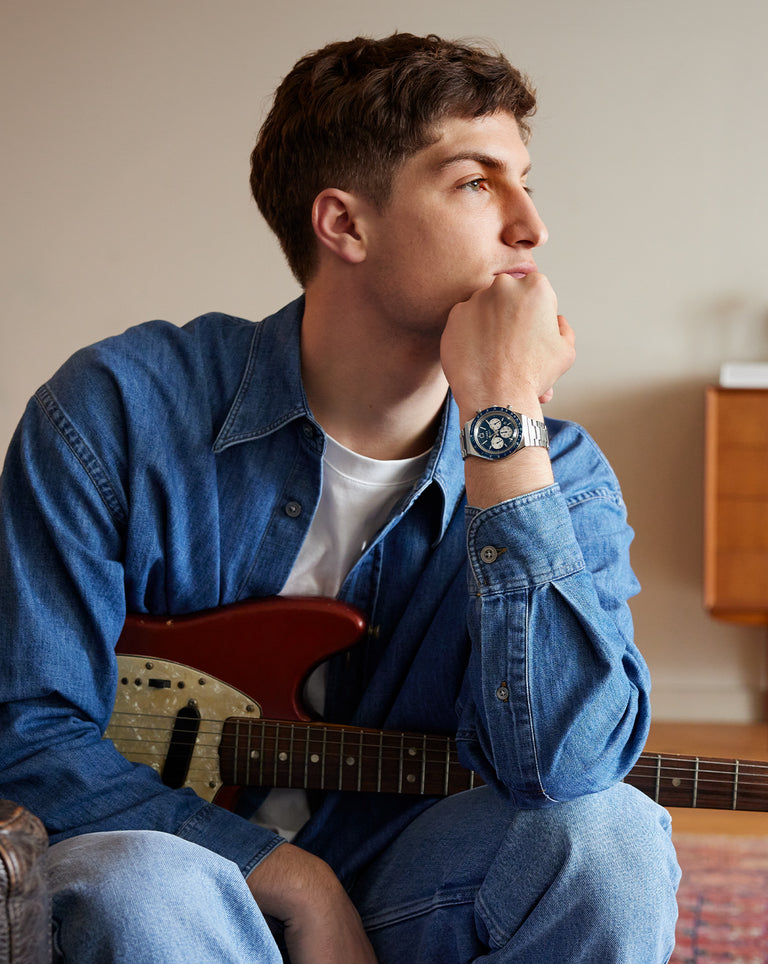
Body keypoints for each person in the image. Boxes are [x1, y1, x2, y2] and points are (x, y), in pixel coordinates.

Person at [0, 32, 680, 963]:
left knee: (617, 842)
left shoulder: (558, 468)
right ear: (345, 225)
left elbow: (565, 773)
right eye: (477, 182)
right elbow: (26, 729)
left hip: (415, 889)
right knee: (142, 884)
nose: (530, 225)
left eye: (526, 181)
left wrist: (504, 428)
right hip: (185, 887)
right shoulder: (117, 410)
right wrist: (292, 878)